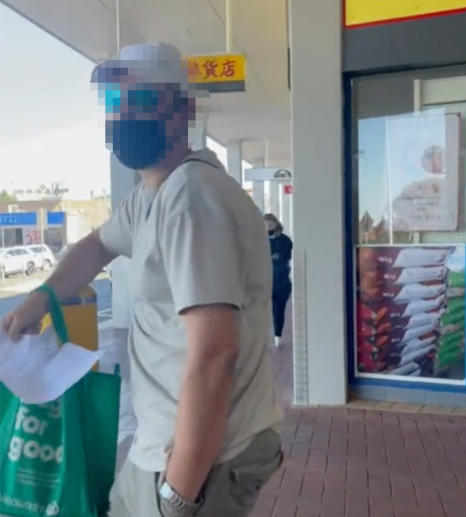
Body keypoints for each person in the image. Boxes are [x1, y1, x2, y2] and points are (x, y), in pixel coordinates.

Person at [1, 42, 284, 516]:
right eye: (117, 105)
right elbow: (97, 244)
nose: (126, 116)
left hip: (202, 456)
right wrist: (44, 297)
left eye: (144, 101)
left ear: (183, 110)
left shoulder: (191, 198)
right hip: (161, 448)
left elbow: (216, 353)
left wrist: (179, 494)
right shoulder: (153, 196)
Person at [264, 213, 292, 345]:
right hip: (263, 282)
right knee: (262, 310)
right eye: (266, 225)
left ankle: (277, 335)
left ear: (276, 224)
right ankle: (264, 337)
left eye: (270, 224)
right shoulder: (258, 240)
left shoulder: (285, 240)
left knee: (278, 309)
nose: (268, 227)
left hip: (281, 282)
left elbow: (286, 256)